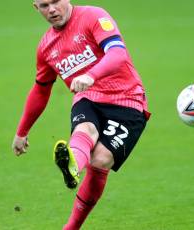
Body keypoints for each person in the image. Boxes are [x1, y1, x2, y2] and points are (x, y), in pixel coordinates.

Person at [12, 0, 150, 229]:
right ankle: (73, 166)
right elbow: (40, 89)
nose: (52, 9)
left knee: (101, 159)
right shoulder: (46, 47)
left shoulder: (94, 16)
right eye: (44, 5)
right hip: (88, 98)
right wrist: (22, 131)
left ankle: (72, 225)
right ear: (35, 7)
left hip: (127, 100)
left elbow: (118, 53)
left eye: (55, 1)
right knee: (85, 129)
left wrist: (91, 75)